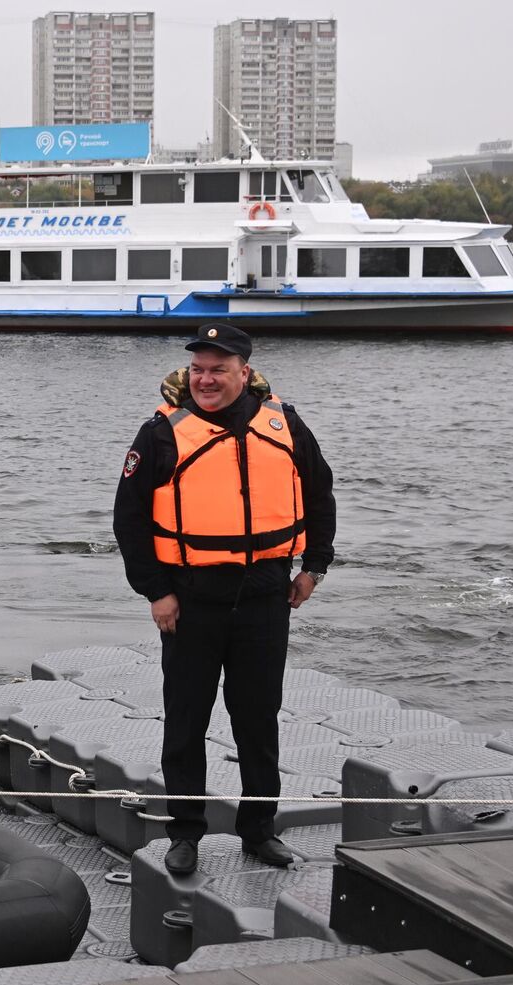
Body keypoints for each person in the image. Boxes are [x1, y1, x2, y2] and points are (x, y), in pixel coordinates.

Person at [112, 324, 336, 875]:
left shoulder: (284, 425)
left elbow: (319, 491)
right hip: (190, 602)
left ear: (244, 372)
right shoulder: (161, 434)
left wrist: (315, 567)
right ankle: (185, 833)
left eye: (218, 369)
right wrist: (157, 592)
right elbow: (130, 520)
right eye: (198, 369)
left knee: (258, 718)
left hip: (265, 598)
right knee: (186, 720)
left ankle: (259, 830)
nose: (206, 379)